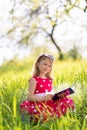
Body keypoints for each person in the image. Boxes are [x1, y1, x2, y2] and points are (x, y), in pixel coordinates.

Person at [20, 54, 74, 122]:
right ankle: (34, 118)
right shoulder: (34, 80)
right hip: (38, 102)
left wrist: (56, 96)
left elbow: (49, 93)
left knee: (67, 100)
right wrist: (43, 98)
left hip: (49, 102)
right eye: (44, 64)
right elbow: (29, 97)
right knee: (41, 112)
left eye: (49, 66)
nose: (47, 67)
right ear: (38, 64)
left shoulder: (50, 80)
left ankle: (61, 116)